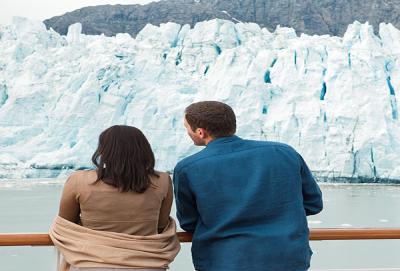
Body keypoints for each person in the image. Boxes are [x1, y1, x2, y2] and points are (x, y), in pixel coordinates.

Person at [173, 101, 323, 271]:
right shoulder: (283, 152)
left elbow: (189, 222)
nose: (187, 132)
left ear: (200, 132)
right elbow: (314, 204)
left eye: (187, 128)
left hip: (224, 261)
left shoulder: (188, 168)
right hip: (287, 258)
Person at [50, 125, 180, 271]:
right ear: (144, 150)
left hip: (91, 263)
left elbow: (66, 224)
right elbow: (161, 225)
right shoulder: (162, 180)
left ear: (104, 151)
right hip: (147, 264)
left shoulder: (78, 180)